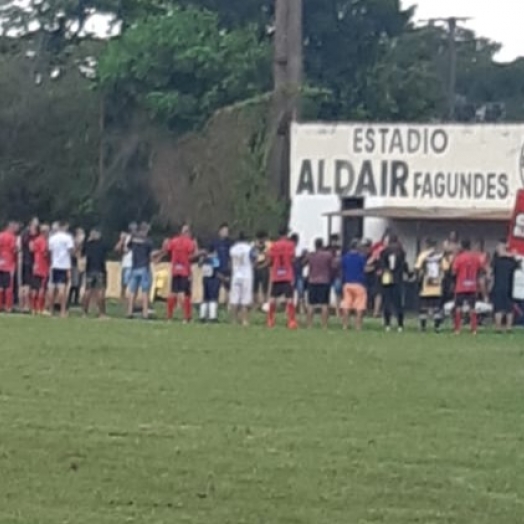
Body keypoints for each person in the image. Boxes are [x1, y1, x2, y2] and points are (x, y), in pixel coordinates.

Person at [163, 224, 197, 323]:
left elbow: (167, 249)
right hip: (184, 271)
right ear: (188, 232)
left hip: (175, 270)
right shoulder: (189, 242)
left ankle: (169, 317)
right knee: (183, 294)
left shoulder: (173, 241)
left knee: (173, 293)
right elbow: (192, 255)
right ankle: (185, 317)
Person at [414, 238, 449, 332]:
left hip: (425, 286)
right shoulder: (440, 256)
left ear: (426, 245)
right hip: (437, 285)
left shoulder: (423, 255)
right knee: (437, 308)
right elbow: (446, 268)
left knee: (423, 308)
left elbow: (417, 268)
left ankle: (423, 327)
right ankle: (436, 327)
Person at [452, 238, 484, 335]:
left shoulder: (459, 258)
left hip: (461, 286)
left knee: (458, 308)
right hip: (472, 286)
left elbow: (454, 272)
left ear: (462, 246)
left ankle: (457, 330)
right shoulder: (476, 257)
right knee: (472, 308)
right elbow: (481, 269)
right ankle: (474, 329)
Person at [267, 227, 297, 329]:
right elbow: (292, 258)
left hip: (276, 274)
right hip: (287, 274)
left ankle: (270, 320)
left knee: (273, 298)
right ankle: (291, 321)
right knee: (289, 299)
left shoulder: (274, 245)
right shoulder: (291, 245)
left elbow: (270, 259)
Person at [379, 235, 408, 332]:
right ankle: (400, 325)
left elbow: (381, 265)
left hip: (387, 278)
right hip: (398, 278)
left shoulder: (384, 251)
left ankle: (387, 324)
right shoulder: (401, 251)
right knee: (398, 302)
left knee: (387, 301)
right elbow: (404, 264)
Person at [491, 240, 520, 333]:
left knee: (499, 308)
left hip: (499, 285)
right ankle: (508, 327)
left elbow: (491, 271)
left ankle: (498, 328)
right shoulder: (511, 260)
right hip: (509, 286)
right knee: (509, 308)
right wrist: (512, 255)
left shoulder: (496, 260)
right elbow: (517, 266)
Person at [127, 222, 154, 319]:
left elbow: (128, 247)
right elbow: (150, 256)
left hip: (134, 267)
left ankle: (129, 312)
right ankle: (145, 312)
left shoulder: (133, 240)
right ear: (146, 230)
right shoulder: (148, 241)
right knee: (145, 291)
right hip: (144, 267)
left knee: (132, 291)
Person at [48, 221, 74, 317]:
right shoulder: (68, 238)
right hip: (64, 265)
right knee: (62, 288)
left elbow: (50, 251)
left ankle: (51, 310)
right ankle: (62, 310)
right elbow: (71, 250)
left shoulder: (52, 238)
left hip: (54, 264)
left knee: (52, 288)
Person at [340, 239, 368, 330]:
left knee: (346, 305)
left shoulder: (345, 257)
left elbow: (342, 268)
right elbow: (365, 269)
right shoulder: (361, 257)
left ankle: (345, 325)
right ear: (357, 247)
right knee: (359, 306)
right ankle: (358, 326)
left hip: (347, 283)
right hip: (359, 284)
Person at [305, 238, 334, 328]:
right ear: (322, 245)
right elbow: (332, 266)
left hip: (312, 280)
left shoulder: (311, 255)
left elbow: (304, 263)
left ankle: (309, 324)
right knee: (324, 304)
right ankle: (324, 325)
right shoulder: (328, 255)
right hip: (324, 281)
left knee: (311, 304)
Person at [229, 232, 255, 326]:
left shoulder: (233, 249)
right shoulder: (249, 248)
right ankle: (244, 320)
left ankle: (234, 320)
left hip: (236, 274)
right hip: (246, 274)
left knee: (234, 298)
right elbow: (254, 258)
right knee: (245, 299)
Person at [82, 228, 108, 318]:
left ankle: (84, 313)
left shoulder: (87, 245)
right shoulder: (102, 244)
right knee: (100, 291)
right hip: (100, 269)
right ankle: (102, 313)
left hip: (89, 270)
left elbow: (82, 253)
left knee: (87, 291)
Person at [19, 217, 39, 313]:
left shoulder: (23, 234)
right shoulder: (29, 235)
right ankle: (27, 306)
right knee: (28, 285)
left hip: (24, 260)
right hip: (29, 261)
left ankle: (22, 305)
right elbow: (31, 248)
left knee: (23, 285)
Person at [30, 224, 50, 315]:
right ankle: (40, 308)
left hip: (36, 265)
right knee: (42, 288)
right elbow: (44, 253)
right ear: (45, 232)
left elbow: (32, 250)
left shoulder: (36, 240)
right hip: (43, 266)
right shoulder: (43, 241)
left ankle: (33, 308)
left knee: (34, 287)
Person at [0, 221, 20, 312]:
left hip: (1, 261)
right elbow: (13, 249)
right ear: (11, 227)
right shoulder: (12, 237)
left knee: (0, 285)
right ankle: (8, 306)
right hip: (9, 263)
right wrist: (17, 250)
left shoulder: (1, 235)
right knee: (9, 286)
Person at [115, 222, 137, 300]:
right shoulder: (126, 237)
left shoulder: (138, 239)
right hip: (127, 262)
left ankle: (132, 297)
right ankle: (122, 296)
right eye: (132, 229)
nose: (134, 231)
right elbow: (117, 249)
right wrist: (122, 240)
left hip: (136, 263)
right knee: (124, 282)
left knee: (134, 283)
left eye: (135, 229)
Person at [199, 245, 221, 323]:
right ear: (214, 250)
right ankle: (213, 316)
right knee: (213, 298)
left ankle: (202, 316)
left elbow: (200, 265)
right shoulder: (215, 258)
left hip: (205, 278)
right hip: (213, 278)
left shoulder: (204, 258)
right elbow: (217, 266)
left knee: (205, 297)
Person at [213, 223, 233, 301]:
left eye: (227, 231)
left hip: (227, 269)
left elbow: (232, 257)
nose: (226, 233)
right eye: (224, 231)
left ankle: (228, 305)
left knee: (228, 288)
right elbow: (213, 255)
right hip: (218, 269)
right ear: (220, 232)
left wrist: (230, 268)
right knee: (216, 288)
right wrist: (215, 269)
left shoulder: (230, 243)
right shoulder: (215, 243)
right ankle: (215, 304)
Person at [68, 228, 86, 308]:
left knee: (79, 283)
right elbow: (73, 253)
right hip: (74, 264)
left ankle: (76, 299)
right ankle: (70, 299)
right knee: (74, 282)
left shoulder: (84, 244)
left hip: (81, 264)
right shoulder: (73, 242)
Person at [253, 231, 271, 308]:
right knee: (255, 287)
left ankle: (265, 304)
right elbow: (252, 257)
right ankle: (256, 304)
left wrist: (263, 266)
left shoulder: (268, 246)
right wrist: (254, 265)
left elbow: (269, 259)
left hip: (264, 268)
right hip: (256, 268)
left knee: (265, 287)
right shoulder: (254, 246)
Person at [290, 233, 307, 314]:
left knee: (301, 292)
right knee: (291, 292)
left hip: (299, 273)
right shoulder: (289, 248)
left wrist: (302, 263)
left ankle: (302, 308)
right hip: (292, 273)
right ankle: (291, 308)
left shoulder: (301, 248)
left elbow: (306, 256)